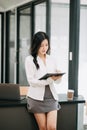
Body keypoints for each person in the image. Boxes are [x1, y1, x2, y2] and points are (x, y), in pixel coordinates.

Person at [25, 31, 62, 130]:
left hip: (51, 97)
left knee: (52, 127)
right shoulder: (29, 60)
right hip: (36, 99)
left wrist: (58, 77)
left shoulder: (52, 59)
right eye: (41, 45)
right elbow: (32, 81)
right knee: (43, 128)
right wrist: (50, 80)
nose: (44, 48)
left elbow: (57, 82)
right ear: (36, 45)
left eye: (46, 45)